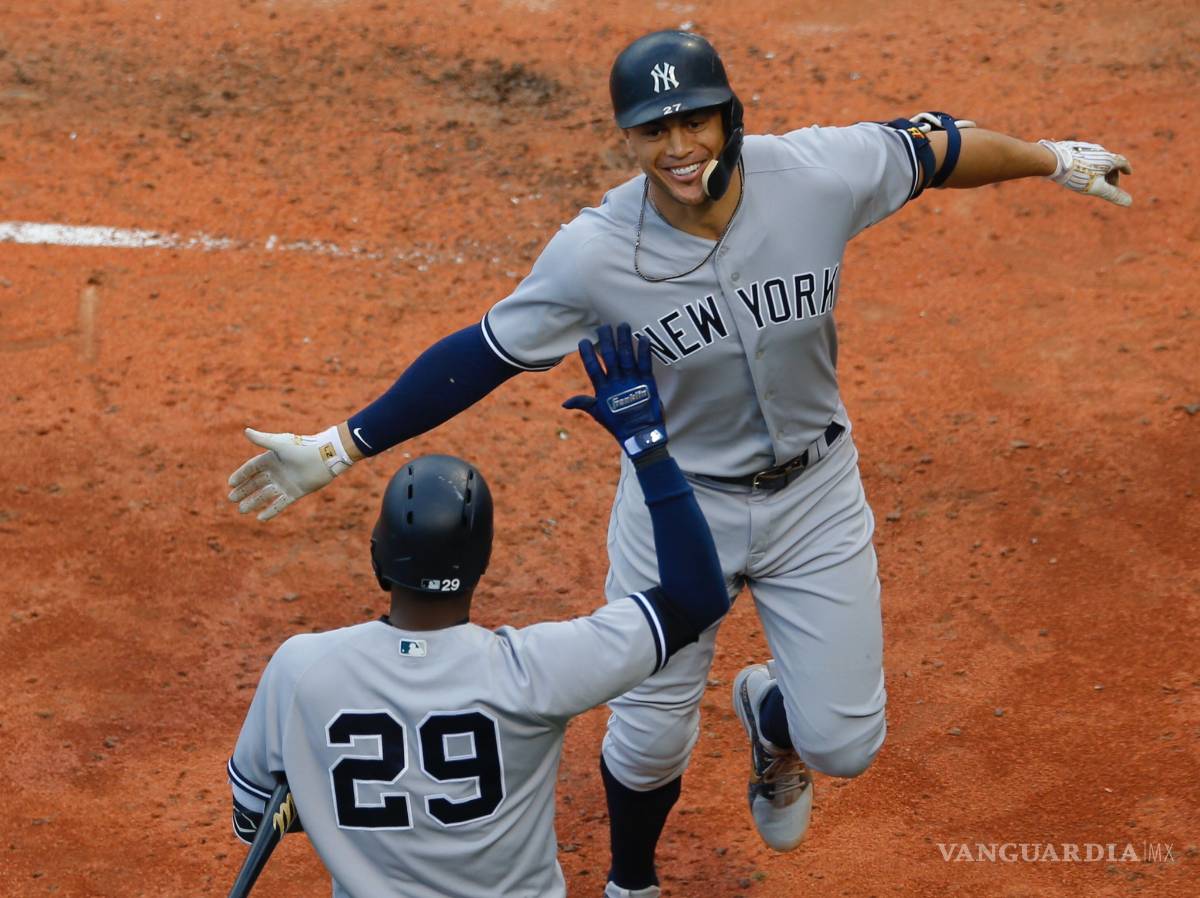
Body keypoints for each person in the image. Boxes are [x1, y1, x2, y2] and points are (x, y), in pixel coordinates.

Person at [226, 29, 1133, 898]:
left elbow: (934, 148)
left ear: (730, 115)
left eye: (693, 120)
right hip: (679, 501)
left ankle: (770, 720)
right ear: (630, 139)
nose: (678, 146)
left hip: (815, 494)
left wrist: (1052, 157)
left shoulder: (816, 174)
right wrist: (341, 445)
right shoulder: (594, 254)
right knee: (650, 731)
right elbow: (485, 350)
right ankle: (632, 879)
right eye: (653, 131)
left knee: (844, 745)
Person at [227, 325, 729, 898]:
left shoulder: (301, 670)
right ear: (483, 562)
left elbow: (251, 818)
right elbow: (697, 598)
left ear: (376, 558)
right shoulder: (537, 670)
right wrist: (648, 446)